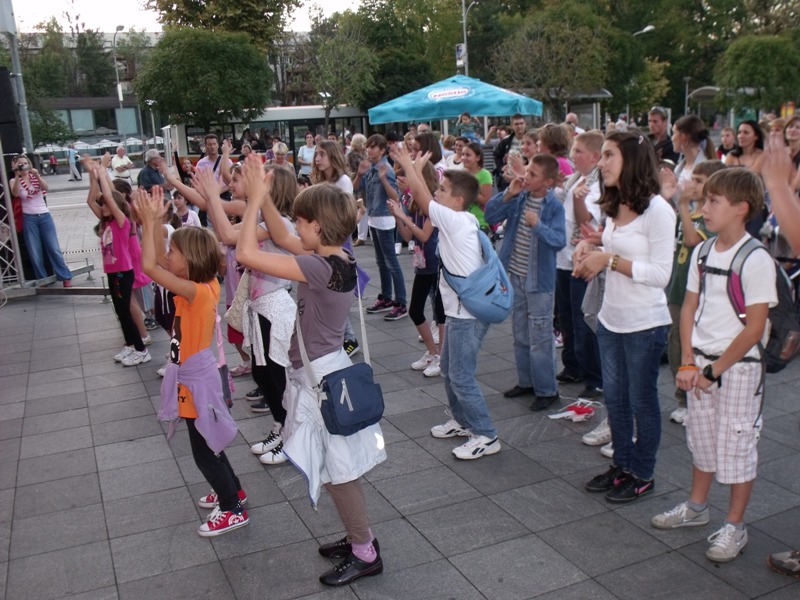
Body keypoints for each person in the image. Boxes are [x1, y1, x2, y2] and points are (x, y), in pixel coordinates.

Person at [236, 157, 386, 586]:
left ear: (317, 227)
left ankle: (365, 550)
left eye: (302, 222)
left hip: (321, 379)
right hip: (324, 371)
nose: (295, 229)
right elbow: (282, 236)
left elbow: (246, 253)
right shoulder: (337, 258)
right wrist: (265, 198)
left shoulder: (319, 268)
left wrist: (253, 202)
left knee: (340, 473)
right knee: (335, 469)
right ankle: (358, 538)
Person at [651, 168, 776, 563]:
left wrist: (712, 370)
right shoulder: (703, 251)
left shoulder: (755, 259)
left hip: (737, 369)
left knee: (737, 446)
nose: (704, 208)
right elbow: (689, 306)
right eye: (704, 200)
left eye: (713, 201)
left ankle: (735, 526)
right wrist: (688, 360)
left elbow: (754, 328)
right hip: (702, 366)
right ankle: (696, 507)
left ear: (741, 208)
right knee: (702, 441)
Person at [134, 186, 249, 537]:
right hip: (192, 376)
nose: (167, 255)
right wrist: (153, 224)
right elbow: (156, 261)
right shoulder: (200, 284)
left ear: (191, 260)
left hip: (196, 381)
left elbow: (149, 265)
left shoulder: (196, 291)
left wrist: (149, 222)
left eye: (173, 251)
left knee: (203, 451)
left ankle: (232, 509)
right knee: (208, 441)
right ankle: (233, 491)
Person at [573, 131, 675, 502]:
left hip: (644, 325)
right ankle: (622, 464)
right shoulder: (617, 202)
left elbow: (661, 274)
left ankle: (642, 473)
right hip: (611, 319)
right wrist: (591, 243)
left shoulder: (658, 210)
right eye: (601, 155)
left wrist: (609, 260)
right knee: (615, 401)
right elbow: (616, 242)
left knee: (641, 402)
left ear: (631, 160)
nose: (601, 163)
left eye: (608, 155)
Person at [392, 143, 502, 460]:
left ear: (457, 200)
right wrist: (414, 169)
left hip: (467, 315)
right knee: (449, 371)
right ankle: (463, 421)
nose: (436, 193)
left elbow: (422, 198)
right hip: (458, 312)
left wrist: (410, 167)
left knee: (461, 376)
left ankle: (486, 434)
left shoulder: (457, 221)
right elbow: (423, 198)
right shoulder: (456, 219)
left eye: (442, 189)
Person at [485, 154, 566, 410]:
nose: (526, 177)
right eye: (527, 171)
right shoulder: (520, 197)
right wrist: (509, 192)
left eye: (532, 174)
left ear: (548, 182)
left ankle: (547, 390)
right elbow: (491, 214)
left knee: (540, 337)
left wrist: (538, 225)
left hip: (539, 282)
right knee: (520, 333)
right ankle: (527, 381)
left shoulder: (553, 206)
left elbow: (559, 240)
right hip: (516, 275)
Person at [661, 160, 726, 425]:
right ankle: (684, 397)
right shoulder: (686, 213)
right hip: (677, 289)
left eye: (700, 181)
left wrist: (682, 205)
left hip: (698, 294)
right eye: (694, 179)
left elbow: (691, 240)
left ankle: (693, 398)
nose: (693, 184)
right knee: (676, 344)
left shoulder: (708, 219)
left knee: (693, 344)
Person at [553, 132, 605, 420]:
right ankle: (573, 365)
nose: (573, 156)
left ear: (594, 157)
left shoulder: (595, 185)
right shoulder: (576, 179)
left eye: (579, 151)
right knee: (566, 316)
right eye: (573, 150)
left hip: (581, 259)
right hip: (564, 257)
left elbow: (586, 222)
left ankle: (594, 377)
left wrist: (576, 199)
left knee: (583, 318)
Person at [85, 160, 150, 366]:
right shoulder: (107, 223)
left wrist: (102, 173)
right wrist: (93, 176)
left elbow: (109, 199)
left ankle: (141, 350)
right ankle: (130, 345)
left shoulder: (123, 222)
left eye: (106, 204)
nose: (103, 207)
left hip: (123, 272)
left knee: (125, 311)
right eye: (103, 205)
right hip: (113, 272)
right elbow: (90, 201)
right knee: (120, 312)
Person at [388, 162, 445, 377]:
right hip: (423, 263)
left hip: (435, 262)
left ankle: (442, 357)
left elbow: (424, 235)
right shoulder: (413, 202)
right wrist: (398, 216)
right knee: (415, 310)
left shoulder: (433, 203)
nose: (405, 181)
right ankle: (433, 352)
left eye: (410, 176)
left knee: (440, 311)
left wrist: (403, 217)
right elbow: (408, 236)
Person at [354, 134, 406, 320]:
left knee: (391, 262)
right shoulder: (370, 167)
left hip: (384, 218)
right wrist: (360, 174)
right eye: (368, 146)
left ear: (382, 150)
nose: (369, 149)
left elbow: (395, 196)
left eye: (373, 147)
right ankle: (386, 297)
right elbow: (355, 189)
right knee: (381, 262)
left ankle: (401, 302)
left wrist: (383, 179)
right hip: (374, 217)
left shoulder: (386, 169)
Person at [9, 154, 73, 287]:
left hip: (44, 215)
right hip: (29, 218)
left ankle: (65, 276)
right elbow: (15, 193)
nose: (23, 166)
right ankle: (42, 279)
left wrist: (37, 175)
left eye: (25, 163)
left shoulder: (34, 177)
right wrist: (17, 174)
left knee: (53, 248)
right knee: (34, 251)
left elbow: (46, 187)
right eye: (20, 164)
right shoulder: (14, 180)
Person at [671, 115, 717, 189]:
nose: (672, 138)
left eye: (674, 133)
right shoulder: (680, 167)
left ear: (683, 136)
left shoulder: (703, 170)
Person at [494, 114, 528, 189]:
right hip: (508, 179)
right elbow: (497, 156)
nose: (519, 126)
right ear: (512, 126)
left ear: (525, 124)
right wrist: (501, 167)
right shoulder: (505, 142)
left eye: (521, 123)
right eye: (516, 124)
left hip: (525, 178)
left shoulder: (531, 141)